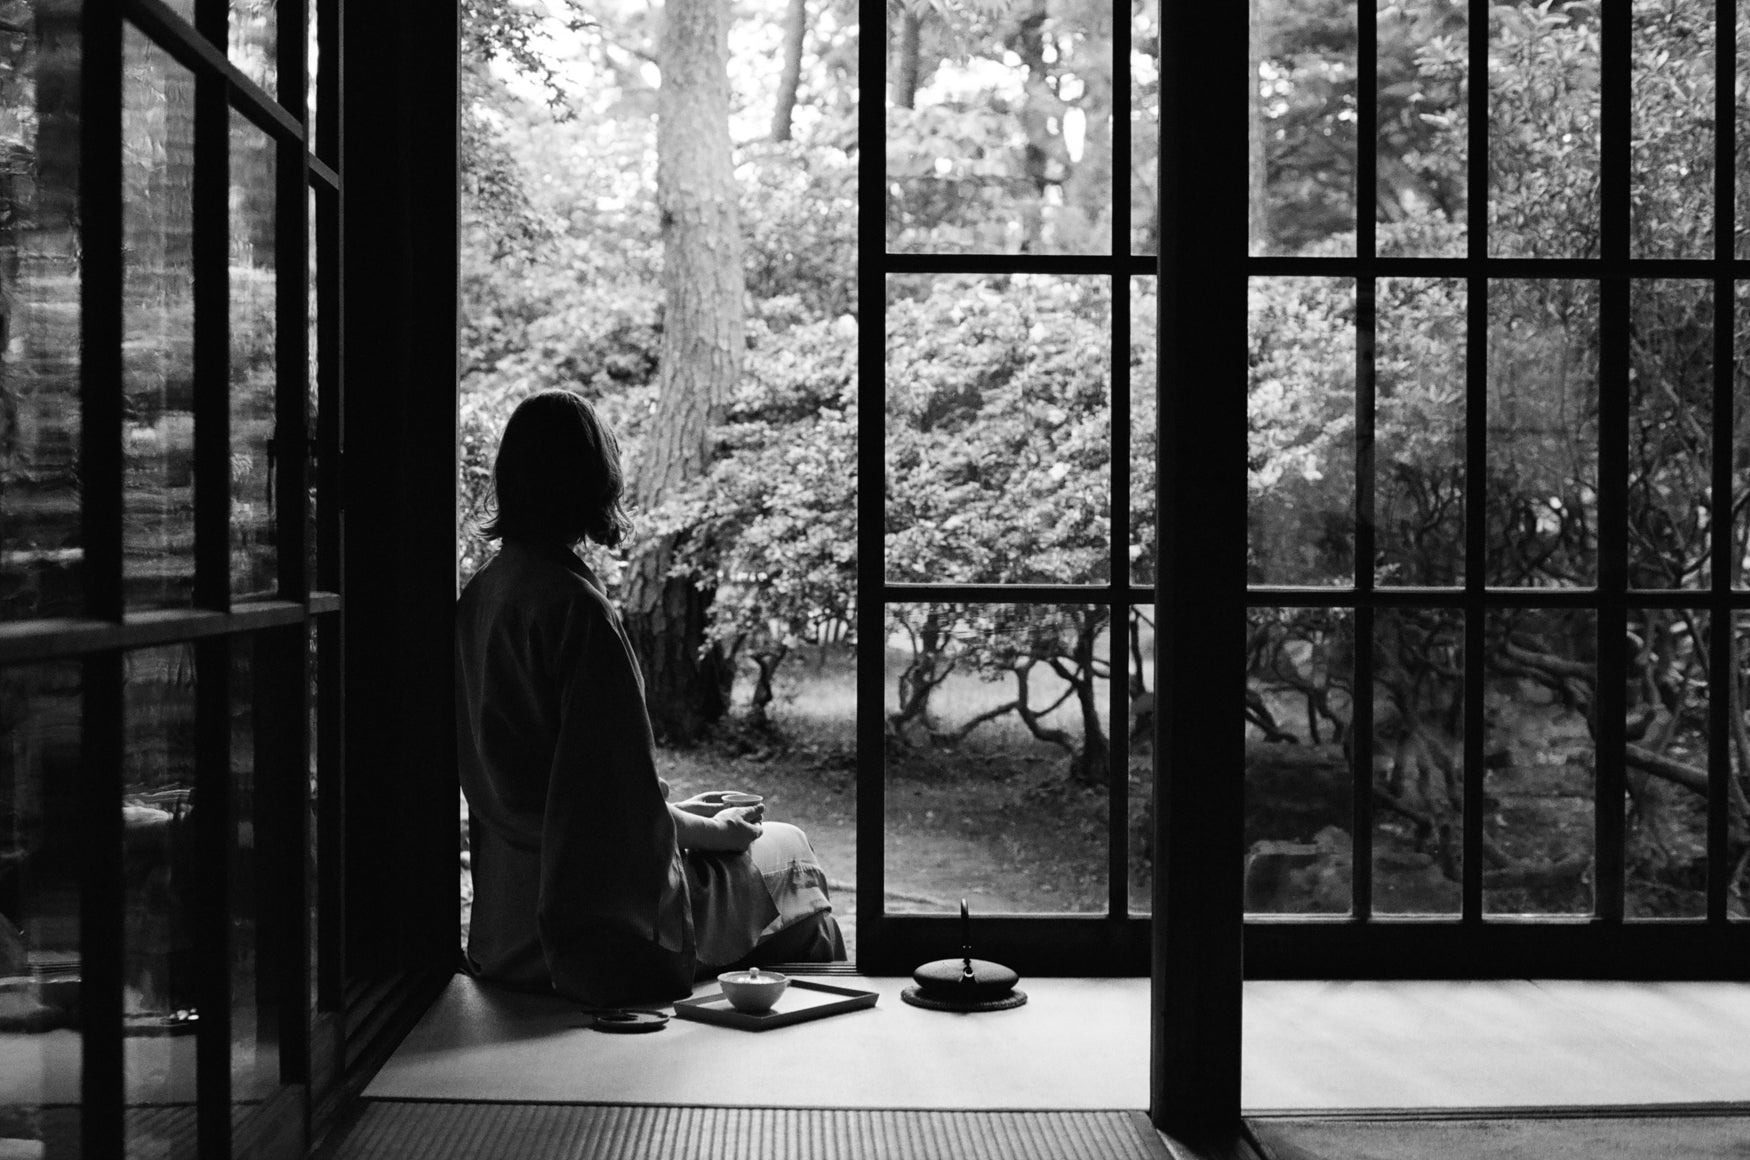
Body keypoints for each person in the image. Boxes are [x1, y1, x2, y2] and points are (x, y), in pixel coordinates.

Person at [456, 389, 845, 1007]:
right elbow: (613, 818)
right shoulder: (575, 611)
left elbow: (572, 790)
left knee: (775, 868)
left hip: (507, 919)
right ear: (594, 480)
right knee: (794, 858)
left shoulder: (481, 597)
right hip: (593, 924)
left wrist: (682, 812)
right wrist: (712, 832)